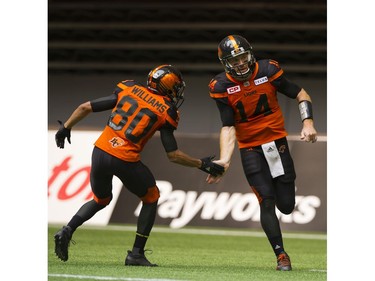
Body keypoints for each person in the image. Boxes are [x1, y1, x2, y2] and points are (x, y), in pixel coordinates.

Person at [53, 64, 224, 266]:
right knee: (151, 197)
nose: (177, 91)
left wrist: (66, 127)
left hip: (100, 151)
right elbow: (173, 155)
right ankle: (136, 254)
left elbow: (85, 107)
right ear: (167, 86)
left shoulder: (128, 88)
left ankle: (68, 229)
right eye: (175, 86)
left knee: (100, 199)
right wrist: (201, 164)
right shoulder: (167, 111)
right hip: (124, 158)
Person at [206, 35, 318, 271]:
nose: (240, 64)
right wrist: (225, 159)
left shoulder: (268, 70)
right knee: (266, 201)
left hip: (276, 145)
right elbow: (228, 125)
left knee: (286, 206)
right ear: (225, 63)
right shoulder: (220, 86)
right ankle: (281, 255)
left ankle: (279, 195)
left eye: (243, 57)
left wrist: (307, 122)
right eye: (234, 60)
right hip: (250, 149)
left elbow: (301, 93)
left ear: (250, 54)